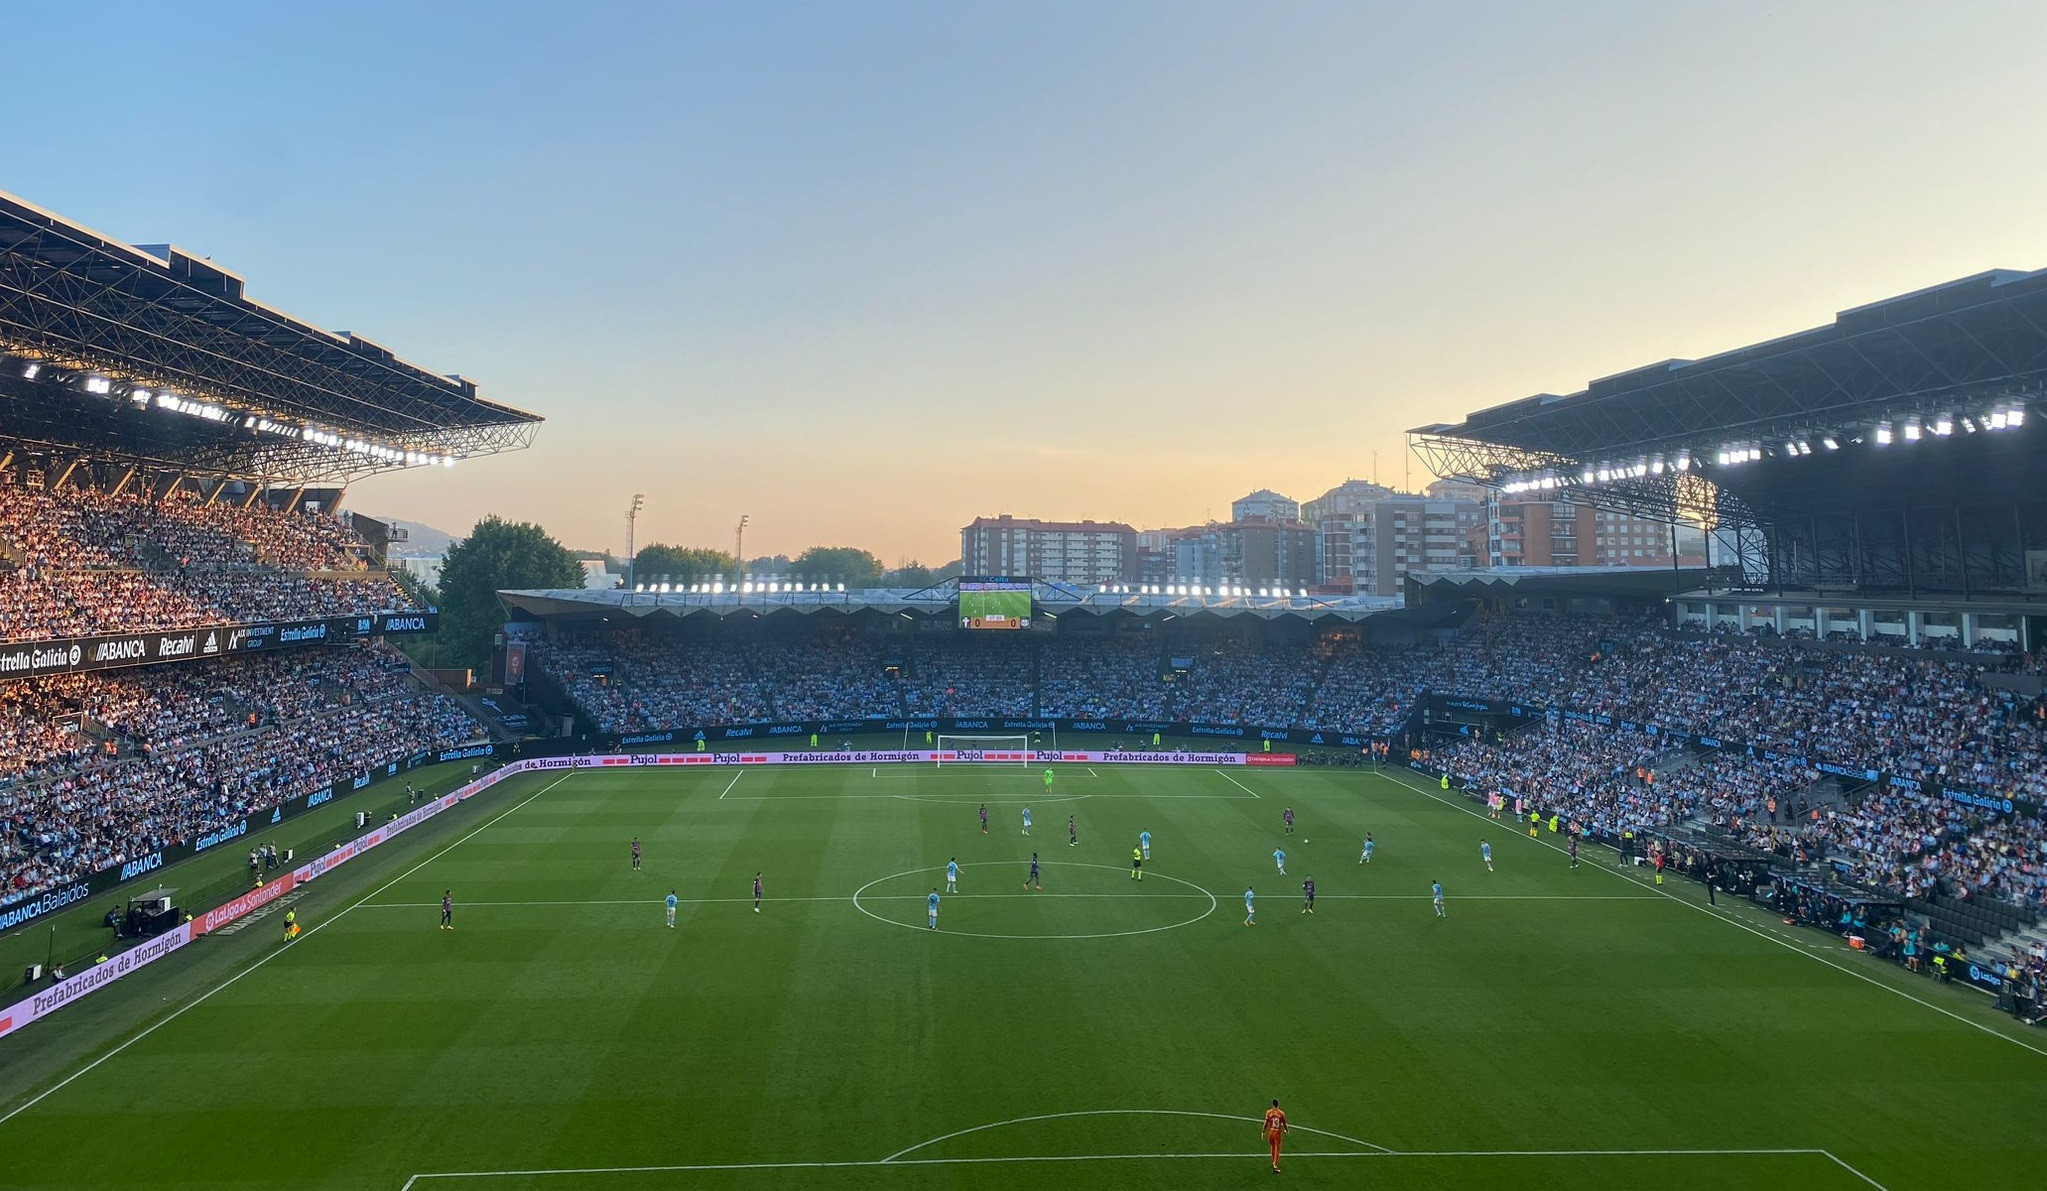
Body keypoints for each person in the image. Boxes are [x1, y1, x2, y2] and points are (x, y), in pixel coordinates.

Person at [1264, 1099, 1288, 1173]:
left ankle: (1273, 1162)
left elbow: (1266, 1122)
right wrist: (1287, 1130)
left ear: (1272, 1104)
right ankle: (1275, 1165)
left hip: (1271, 1132)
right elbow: (1284, 1123)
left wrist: (1263, 1131)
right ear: (1278, 1104)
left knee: (1272, 1147)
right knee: (1277, 1148)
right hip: (1277, 1133)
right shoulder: (1281, 1113)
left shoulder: (1268, 1112)